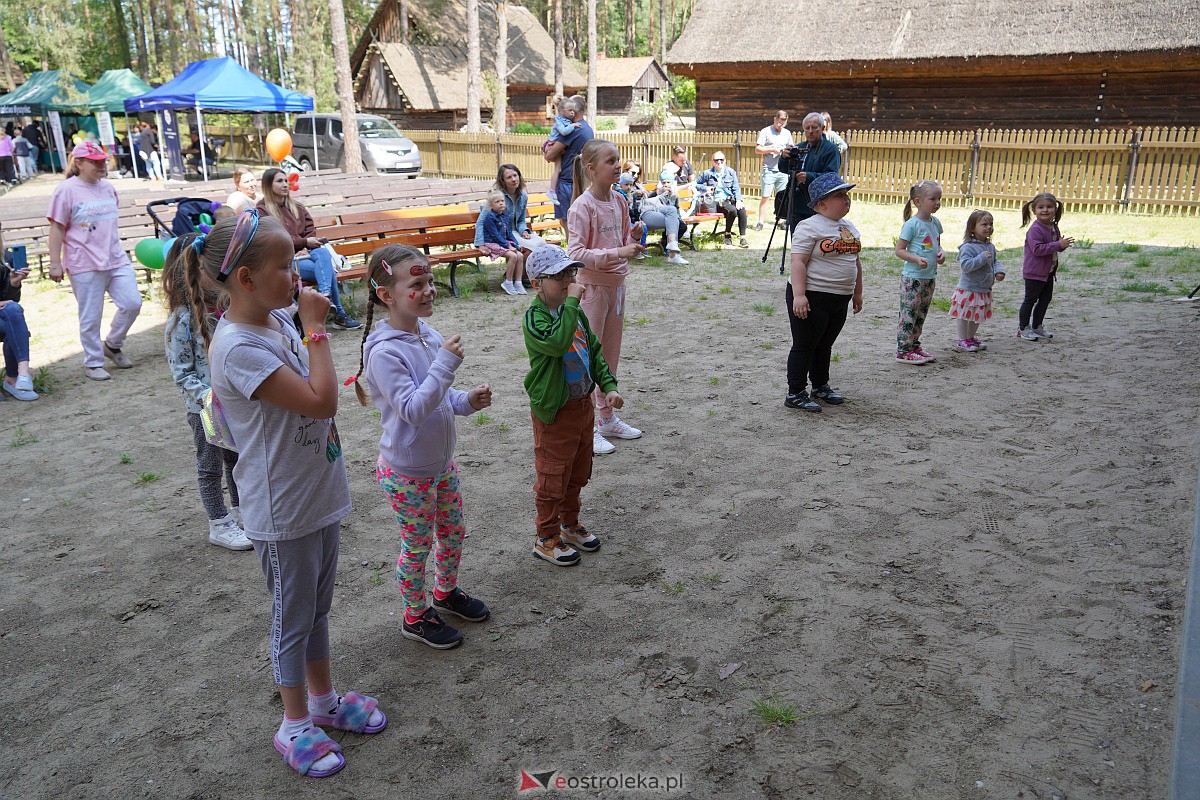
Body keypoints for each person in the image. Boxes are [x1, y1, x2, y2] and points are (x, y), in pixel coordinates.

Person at [189, 211, 387, 779]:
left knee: (316, 608)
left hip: (314, 490)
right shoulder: (237, 347)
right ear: (246, 280)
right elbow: (322, 400)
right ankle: (293, 721)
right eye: (284, 267)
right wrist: (316, 329)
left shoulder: (274, 321)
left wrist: (299, 323)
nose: (297, 274)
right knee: (291, 617)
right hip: (282, 509)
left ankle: (322, 700)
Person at [347, 244, 494, 649]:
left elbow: (438, 397)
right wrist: (446, 365)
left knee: (453, 531)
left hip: (440, 463)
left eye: (430, 281)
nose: (429, 289)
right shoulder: (384, 353)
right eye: (417, 283)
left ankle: (445, 593)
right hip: (407, 472)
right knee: (418, 545)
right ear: (386, 295)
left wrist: (465, 401)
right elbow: (412, 409)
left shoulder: (425, 334)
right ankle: (415, 615)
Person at [522, 245, 623, 566]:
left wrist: (608, 387)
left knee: (578, 472)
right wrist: (571, 302)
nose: (570, 280)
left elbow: (594, 353)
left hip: (582, 407)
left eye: (571, 273)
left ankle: (569, 524)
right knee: (553, 476)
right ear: (538, 284)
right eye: (560, 276)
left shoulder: (575, 313)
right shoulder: (535, 318)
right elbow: (556, 342)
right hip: (554, 410)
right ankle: (546, 536)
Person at [160, 238, 249, 550]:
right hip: (207, 410)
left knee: (236, 458)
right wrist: (211, 398)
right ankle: (219, 523)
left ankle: (243, 513)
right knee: (210, 464)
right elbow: (182, 373)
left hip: (232, 404)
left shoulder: (224, 310)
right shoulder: (182, 320)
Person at [567, 139, 646, 455]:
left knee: (609, 357)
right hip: (592, 291)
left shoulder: (620, 200)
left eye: (618, 160)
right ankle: (586, 428)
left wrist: (634, 237)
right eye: (611, 161)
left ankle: (607, 418)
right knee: (587, 361)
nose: (618, 166)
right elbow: (575, 254)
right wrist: (619, 251)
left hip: (617, 288)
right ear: (591, 168)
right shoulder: (582, 206)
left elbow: (624, 240)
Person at [47, 142, 143, 381]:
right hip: (83, 262)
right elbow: (57, 228)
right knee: (91, 315)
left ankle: (112, 344)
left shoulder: (109, 188)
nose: (101, 165)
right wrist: (55, 262)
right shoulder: (66, 190)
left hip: (115, 258)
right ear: (78, 163)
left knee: (132, 303)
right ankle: (93, 362)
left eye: (102, 161)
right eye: (94, 162)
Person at [784, 174, 863, 412]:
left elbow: (855, 262)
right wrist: (799, 295)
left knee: (825, 343)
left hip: (840, 297)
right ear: (821, 204)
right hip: (812, 296)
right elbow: (798, 262)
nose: (846, 199)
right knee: (805, 344)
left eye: (846, 194)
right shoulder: (809, 226)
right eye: (839, 195)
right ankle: (796, 391)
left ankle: (820, 385)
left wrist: (857, 293)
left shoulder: (849, 227)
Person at [257, 167, 361, 330]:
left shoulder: (297, 206)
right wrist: (304, 243)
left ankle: (325, 295)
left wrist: (307, 244)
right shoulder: (262, 210)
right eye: (280, 181)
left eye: (286, 181)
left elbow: (310, 229)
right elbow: (275, 238)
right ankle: (339, 314)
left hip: (309, 255)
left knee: (323, 253)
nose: (285, 184)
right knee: (327, 271)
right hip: (286, 261)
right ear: (268, 185)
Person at [893, 180, 945, 365]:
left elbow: (936, 244)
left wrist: (940, 253)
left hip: (929, 277)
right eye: (933, 199)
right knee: (909, 314)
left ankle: (914, 345)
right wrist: (915, 259)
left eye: (939, 198)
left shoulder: (935, 222)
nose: (937, 202)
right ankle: (903, 350)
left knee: (921, 313)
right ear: (917, 201)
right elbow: (899, 250)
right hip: (913, 279)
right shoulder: (911, 225)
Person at [1018, 192, 1074, 341]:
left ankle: (1037, 326)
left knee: (1045, 299)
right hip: (1034, 272)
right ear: (1034, 210)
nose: (1045, 210)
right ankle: (1023, 328)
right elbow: (1037, 249)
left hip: (1048, 272)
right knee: (1030, 300)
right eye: (1041, 207)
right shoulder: (1035, 229)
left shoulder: (1053, 227)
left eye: (1049, 207)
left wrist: (1062, 246)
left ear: (1055, 209)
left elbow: (1054, 246)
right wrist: (1057, 244)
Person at [950, 210, 1006, 353]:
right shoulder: (968, 247)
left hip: (984, 289)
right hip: (969, 289)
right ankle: (963, 339)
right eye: (984, 224)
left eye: (991, 224)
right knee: (964, 314)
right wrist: (981, 258)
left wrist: (999, 271)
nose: (989, 227)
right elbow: (966, 266)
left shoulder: (990, 246)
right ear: (972, 228)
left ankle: (971, 337)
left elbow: (994, 261)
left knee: (977, 315)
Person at [779, 112, 842, 235]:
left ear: (823, 128)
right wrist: (784, 157)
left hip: (819, 206)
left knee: (815, 243)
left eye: (814, 127)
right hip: (797, 204)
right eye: (807, 128)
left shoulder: (830, 149)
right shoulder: (799, 147)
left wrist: (809, 177)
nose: (810, 131)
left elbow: (831, 177)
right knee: (797, 241)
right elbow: (784, 169)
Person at [473, 163, 544, 257]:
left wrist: (524, 231)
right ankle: (521, 272)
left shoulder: (523, 196)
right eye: (509, 177)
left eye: (515, 175)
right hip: (503, 235)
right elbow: (481, 221)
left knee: (542, 243)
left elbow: (521, 221)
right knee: (530, 247)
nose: (514, 179)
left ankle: (527, 272)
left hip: (516, 233)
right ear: (503, 181)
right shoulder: (497, 197)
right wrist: (480, 244)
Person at [542, 96, 593, 221]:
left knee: (568, 222)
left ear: (573, 110)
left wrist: (545, 151)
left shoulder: (573, 130)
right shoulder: (587, 129)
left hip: (567, 183)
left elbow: (549, 155)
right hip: (581, 181)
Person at [0, 249, 37, 400]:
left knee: (14, 310)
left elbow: (11, 300)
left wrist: (13, 283)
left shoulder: (6, 258)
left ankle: (18, 376)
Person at [479, 189, 527, 295]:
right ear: (491, 206)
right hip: (492, 243)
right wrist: (508, 246)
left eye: (502, 201)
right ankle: (508, 282)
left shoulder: (505, 216)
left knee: (519, 255)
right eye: (497, 202)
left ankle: (518, 282)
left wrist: (516, 245)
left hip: (503, 242)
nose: (501, 203)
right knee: (513, 256)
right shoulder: (490, 217)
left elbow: (509, 233)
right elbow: (494, 235)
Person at [698, 151, 749, 248]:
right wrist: (706, 188)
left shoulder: (730, 172)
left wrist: (739, 200)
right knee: (733, 210)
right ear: (713, 162)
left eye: (721, 160)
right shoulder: (708, 173)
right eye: (716, 160)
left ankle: (743, 238)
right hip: (716, 201)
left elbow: (736, 188)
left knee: (742, 210)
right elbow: (696, 184)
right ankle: (727, 234)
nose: (719, 162)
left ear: (725, 161)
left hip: (730, 199)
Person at [755, 111, 793, 230]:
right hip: (769, 169)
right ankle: (760, 222)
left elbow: (791, 147)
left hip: (782, 170)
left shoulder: (787, 133)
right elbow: (757, 149)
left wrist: (785, 151)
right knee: (765, 196)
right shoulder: (765, 131)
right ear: (774, 119)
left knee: (781, 197)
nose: (780, 125)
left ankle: (780, 220)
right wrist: (771, 149)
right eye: (779, 123)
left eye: (783, 123)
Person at [543, 98, 583, 210]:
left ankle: (552, 191)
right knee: (558, 170)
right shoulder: (559, 121)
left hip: (556, 146)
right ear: (561, 111)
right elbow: (564, 132)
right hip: (552, 145)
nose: (572, 112)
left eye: (573, 110)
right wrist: (573, 126)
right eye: (569, 110)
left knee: (558, 169)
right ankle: (551, 191)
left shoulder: (566, 120)